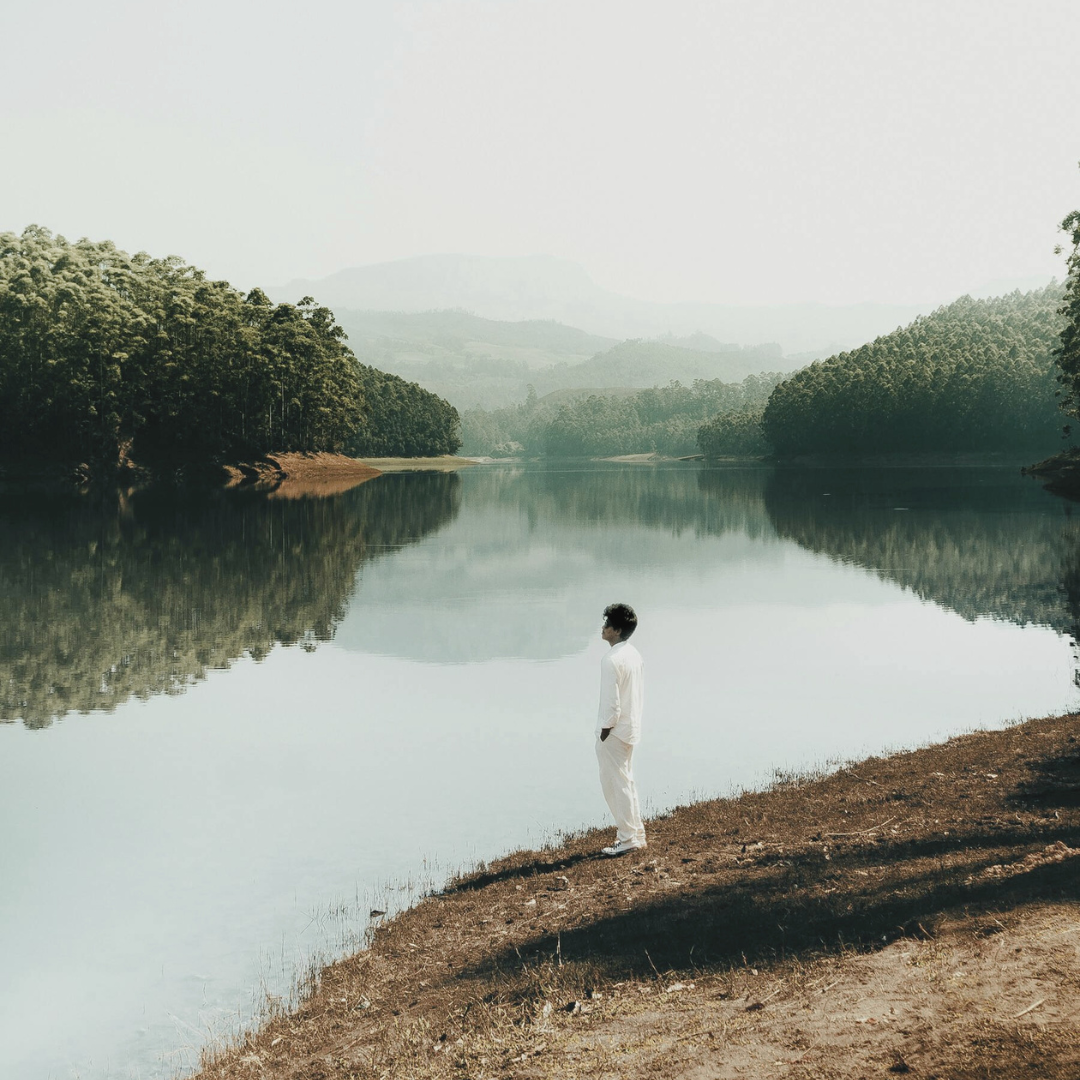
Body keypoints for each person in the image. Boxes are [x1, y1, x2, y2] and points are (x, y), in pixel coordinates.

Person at [595, 602, 646, 856]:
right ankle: (635, 833)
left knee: (615, 784)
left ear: (616, 630)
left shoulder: (610, 659)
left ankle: (627, 839)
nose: (602, 627)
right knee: (626, 780)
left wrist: (604, 731)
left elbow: (611, 704)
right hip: (631, 727)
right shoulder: (634, 654)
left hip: (614, 731)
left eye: (607, 623)